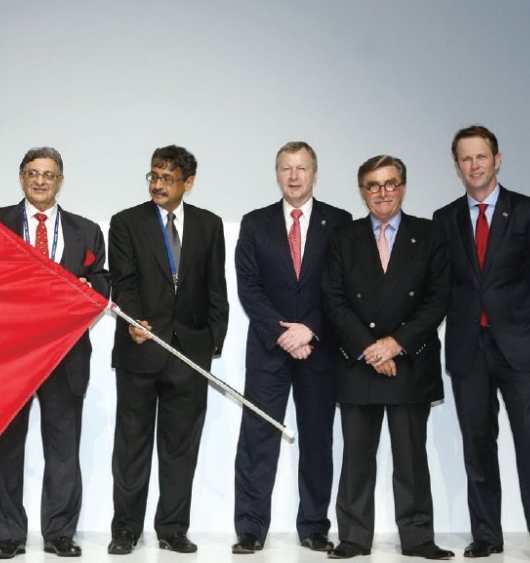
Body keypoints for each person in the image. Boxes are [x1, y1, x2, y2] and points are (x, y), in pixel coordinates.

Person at [432, 126, 530, 563]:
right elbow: (443, 285)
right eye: (465, 159)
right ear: (457, 166)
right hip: (469, 348)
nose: (474, 166)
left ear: (498, 158)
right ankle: (487, 535)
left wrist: (522, 319)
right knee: (477, 443)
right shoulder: (444, 218)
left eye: (481, 157)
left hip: (519, 347)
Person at [323, 155, 453, 561]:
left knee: (411, 458)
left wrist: (395, 344)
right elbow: (333, 300)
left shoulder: (430, 235)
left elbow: (437, 300)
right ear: (362, 192)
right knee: (357, 458)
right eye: (373, 186)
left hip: (410, 360)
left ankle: (418, 539)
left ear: (403, 186)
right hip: (358, 360)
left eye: (390, 183)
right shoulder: (343, 237)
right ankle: (353, 539)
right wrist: (370, 348)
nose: (383, 193)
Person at [0, 147, 110, 560]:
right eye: (33, 173)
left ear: (60, 180)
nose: (41, 181)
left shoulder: (86, 231)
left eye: (49, 175)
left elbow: (102, 284)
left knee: (63, 447)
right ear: (21, 177)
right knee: (5, 448)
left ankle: (59, 534)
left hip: (66, 354)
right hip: (7, 355)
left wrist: (85, 289)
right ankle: (8, 535)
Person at [107, 145, 229, 555]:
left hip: (189, 355)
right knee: (132, 447)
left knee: (180, 450)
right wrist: (133, 321)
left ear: (187, 183)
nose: (158, 184)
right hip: (141, 350)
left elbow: (217, 289)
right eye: (153, 176)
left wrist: (212, 341)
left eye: (168, 178)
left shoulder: (210, 226)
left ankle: (173, 529)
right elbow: (122, 283)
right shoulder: (126, 223)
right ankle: (125, 530)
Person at [230, 142, 352, 555]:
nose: (294, 176)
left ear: (315, 173)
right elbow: (249, 287)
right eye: (286, 168)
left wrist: (310, 330)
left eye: (302, 168)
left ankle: (315, 526)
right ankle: (250, 529)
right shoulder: (254, 223)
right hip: (268, 347)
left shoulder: (340, 222)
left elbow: (342, 287)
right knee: (257, 438)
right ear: (277, 173)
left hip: (319, 349)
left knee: (318, 440)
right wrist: (283, 333)